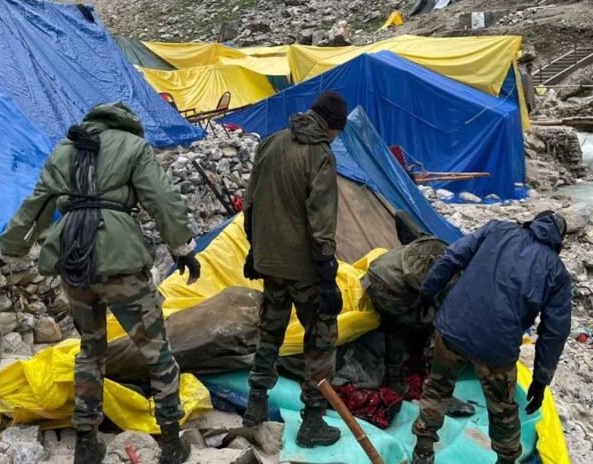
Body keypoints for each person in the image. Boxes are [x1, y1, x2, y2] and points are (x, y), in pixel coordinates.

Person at [0, 102, 201, 464]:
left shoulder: (65, 149)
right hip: (121, 259)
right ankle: (170, 442)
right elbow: (162, 200)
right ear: (127, 124)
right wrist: (182, 247)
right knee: (156, 352)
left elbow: (37, 205)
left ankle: (86, 442)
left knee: (90, 350)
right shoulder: (133, 147)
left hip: (74, 258)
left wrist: (8, 251)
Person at [411, 211, 572, 464]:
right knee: (503, 411)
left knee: (436, 390)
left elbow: (451, 257)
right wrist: (541, 379)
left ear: (531, 223)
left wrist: (427, 292)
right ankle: (506, 460)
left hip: (453, 326)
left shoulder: (497, 229)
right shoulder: (557, 272)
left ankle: (422, 452)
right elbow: (555, 330)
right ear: (559, 240)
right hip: (497, 346)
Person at [241, 91, 347, 448]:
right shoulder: (320, 154)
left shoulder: (271, 142)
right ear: (333, 127)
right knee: (320, 336)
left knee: (270, 330)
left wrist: (254, 249)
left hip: (270, 260)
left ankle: (255, 407)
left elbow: (250, 200)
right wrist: (327, 271)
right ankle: (313, 420)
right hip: (303, 266)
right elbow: (321, 219)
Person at [363, 235, 475, 418]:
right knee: (432, 333)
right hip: (395, 289)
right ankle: (436, 394)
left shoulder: (454, 249)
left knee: (397, 326)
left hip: (376, 274)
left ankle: (395, 380)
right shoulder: (458, 276)